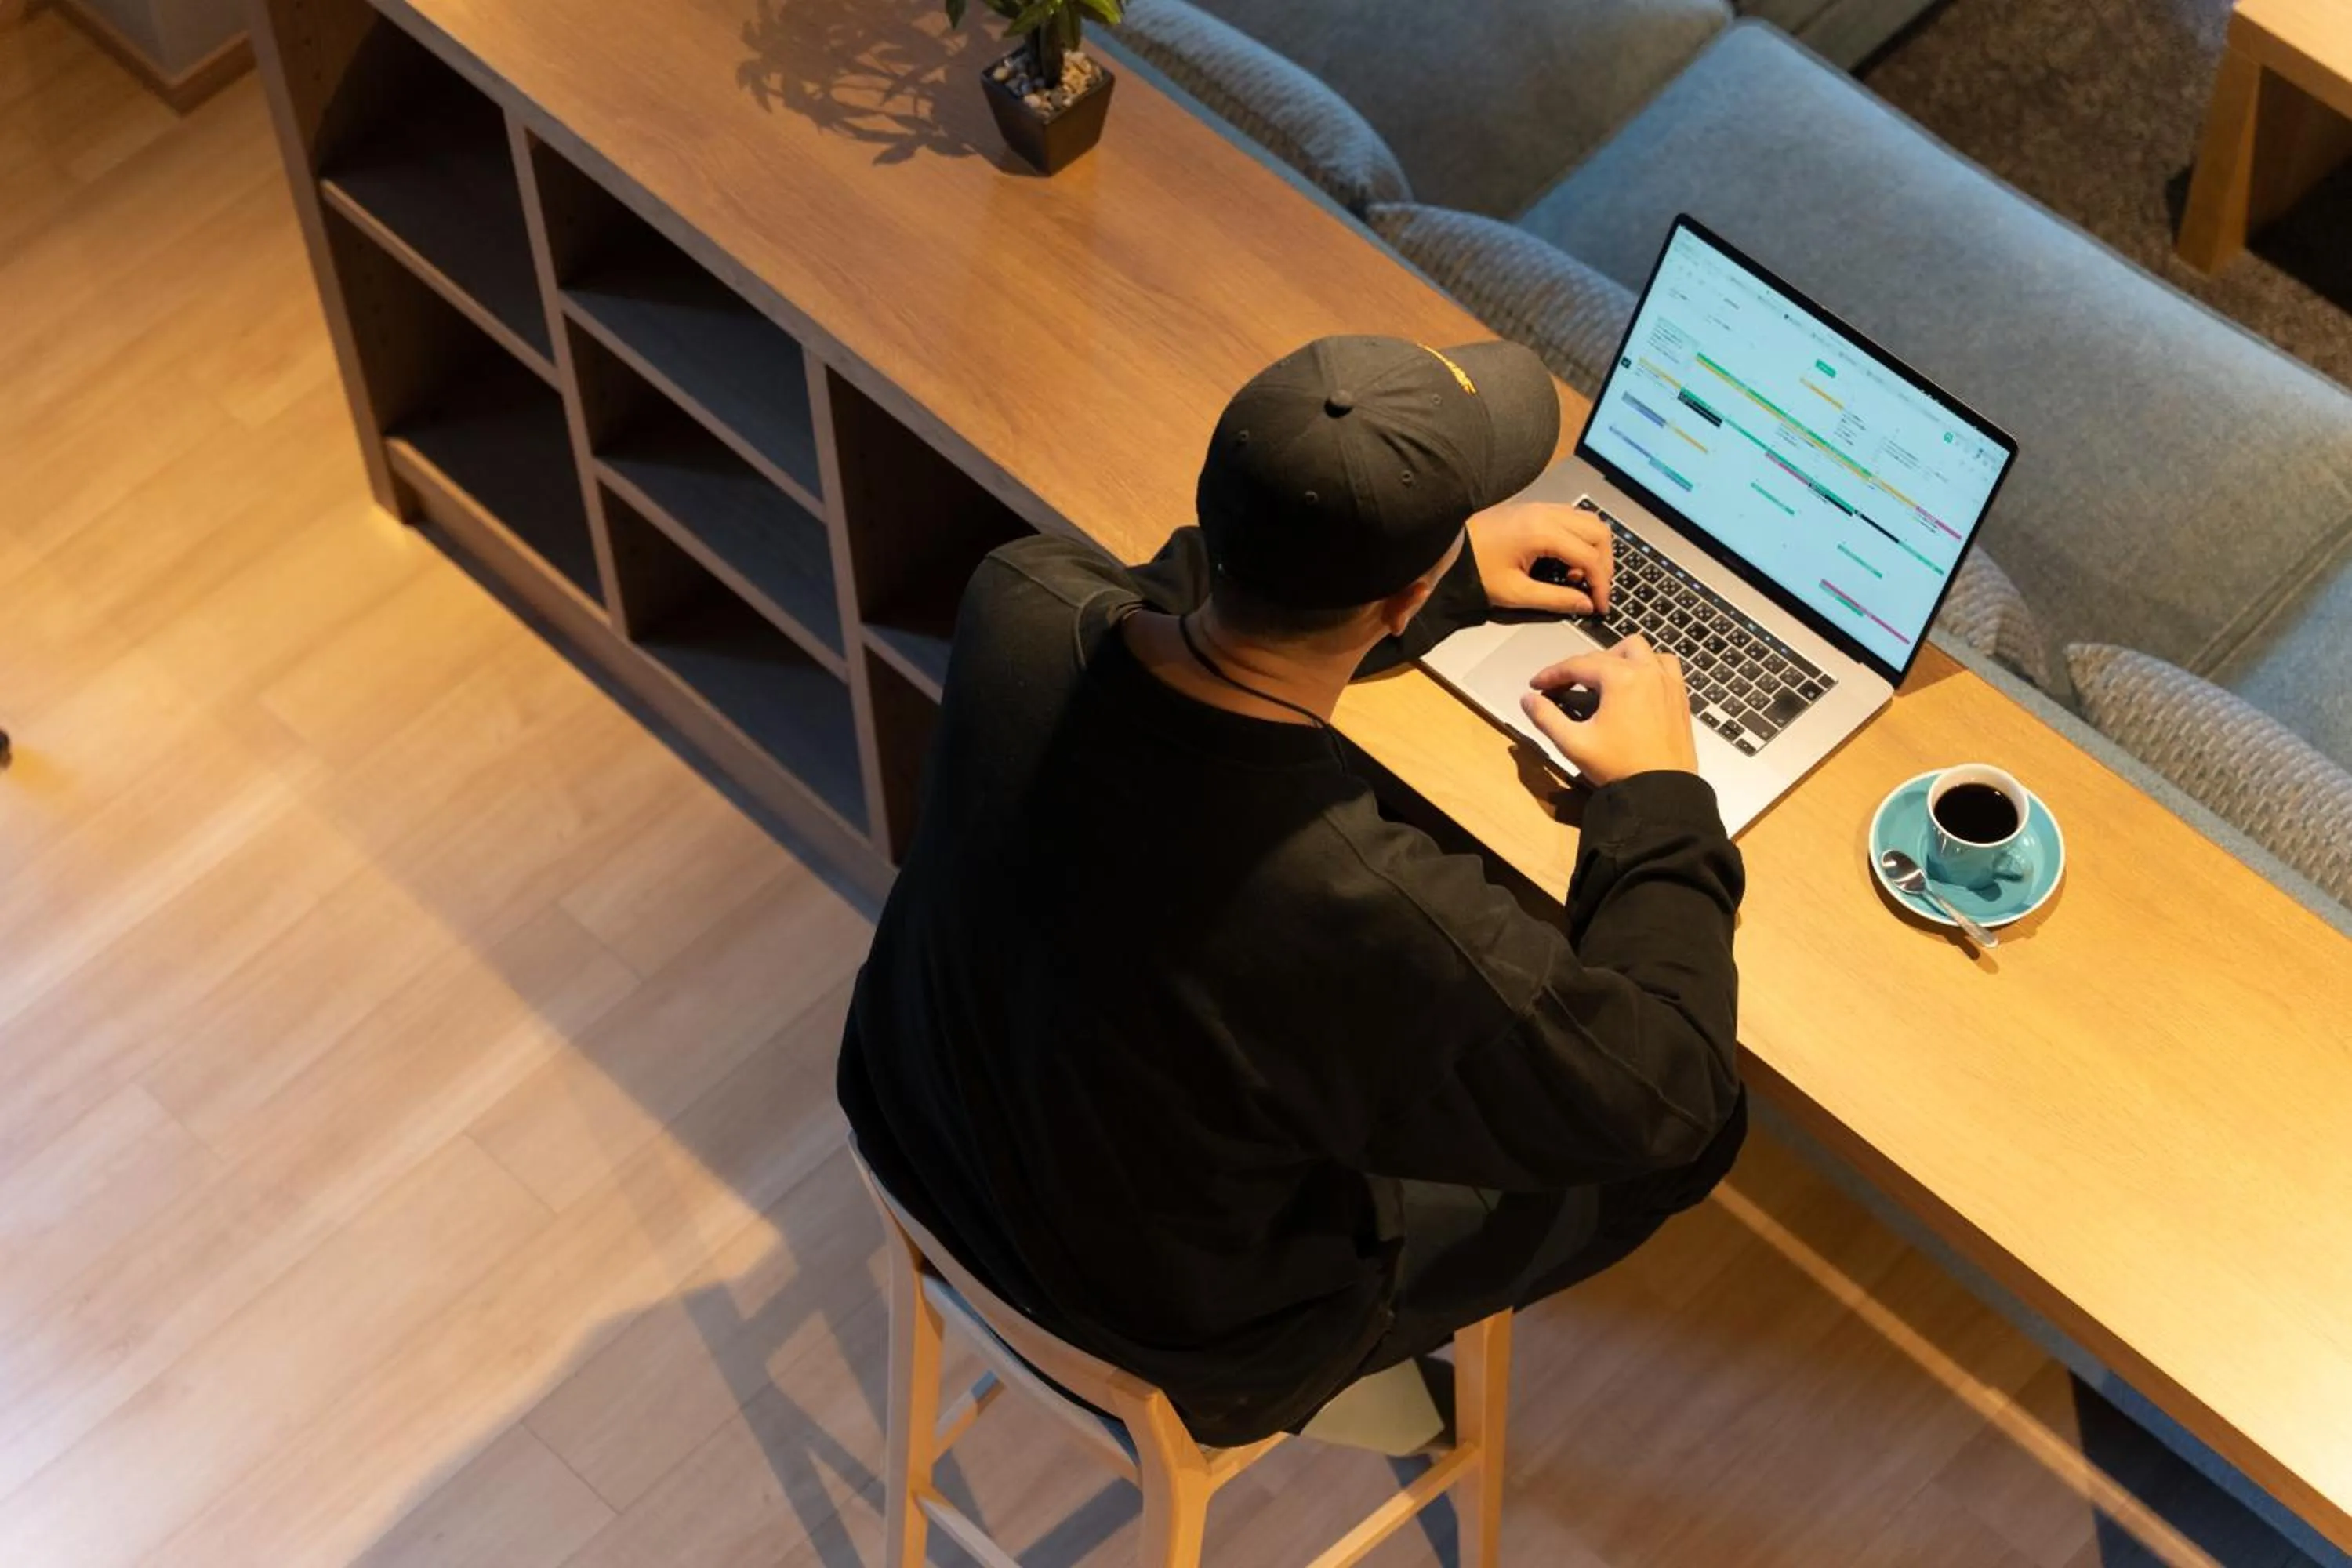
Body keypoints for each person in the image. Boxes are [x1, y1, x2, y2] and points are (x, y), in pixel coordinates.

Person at [838, 335, 1747, 1448]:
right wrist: (1655, 796)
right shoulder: (1367, 908)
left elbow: (1160, 601)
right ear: (1397, 601)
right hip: (1180, 1328)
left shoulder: (1016, 600)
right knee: (1702, 1134)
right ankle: (1366, 1357)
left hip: (918, 1130)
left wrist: (1445, 576)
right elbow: (1673, 1091)